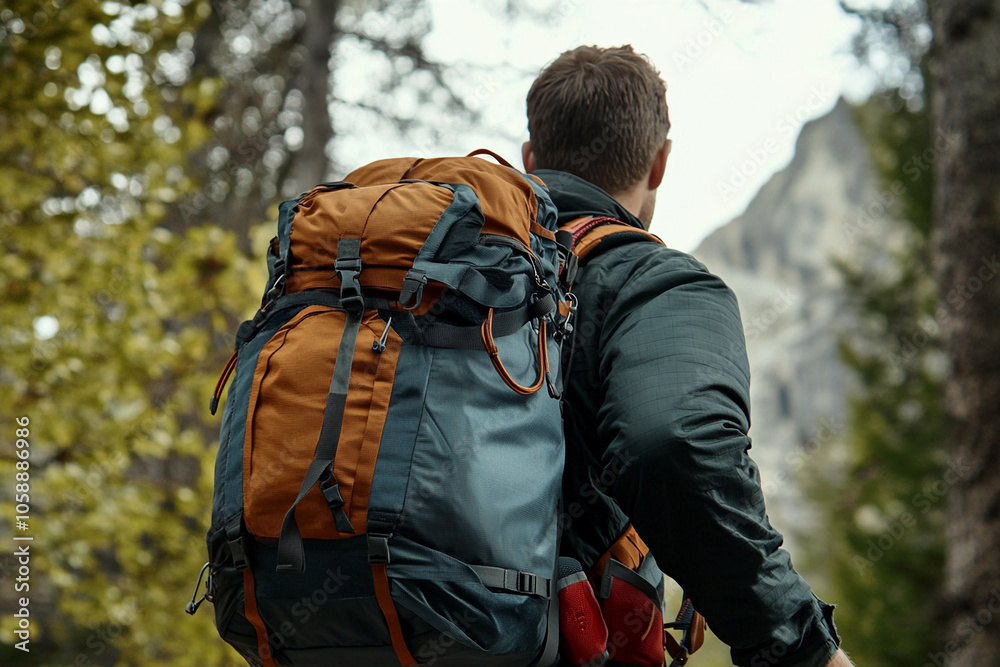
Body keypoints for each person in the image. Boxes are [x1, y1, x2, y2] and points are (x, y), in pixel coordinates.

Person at [522, 45, 852, 667]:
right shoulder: (654, 283)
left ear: (530, 162)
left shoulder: (434, 284)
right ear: (660, 163)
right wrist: (803, 648)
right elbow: (674, 446)